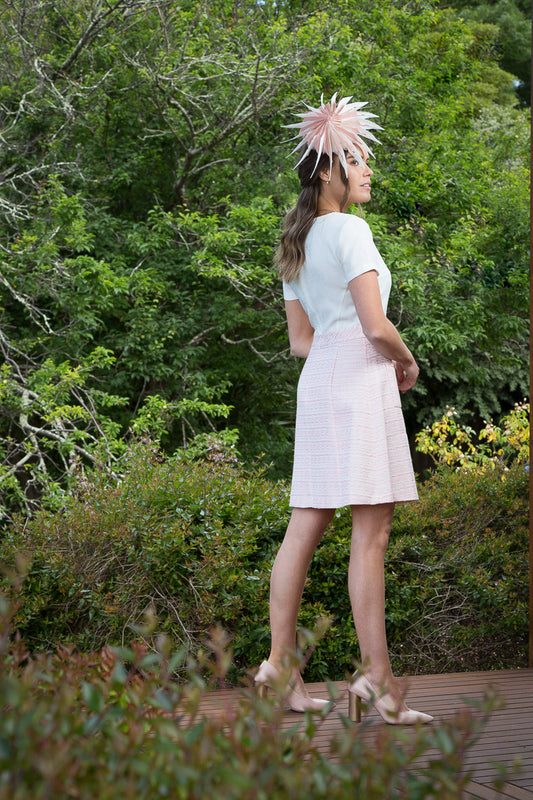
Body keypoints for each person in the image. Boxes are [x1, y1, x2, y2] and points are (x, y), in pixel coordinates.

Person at [254, 94, 433, 725]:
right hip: (359, 380)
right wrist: (406, 362)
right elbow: (377, 327)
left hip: (321, 381)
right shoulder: (352, 231)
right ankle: (376, 680)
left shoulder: (297, 241)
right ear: (328, 168)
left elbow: (302, 343)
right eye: (357, 159)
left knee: (305, 523)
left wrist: (361, 347)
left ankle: (281, 666)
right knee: (371, 533)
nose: (366, 170)